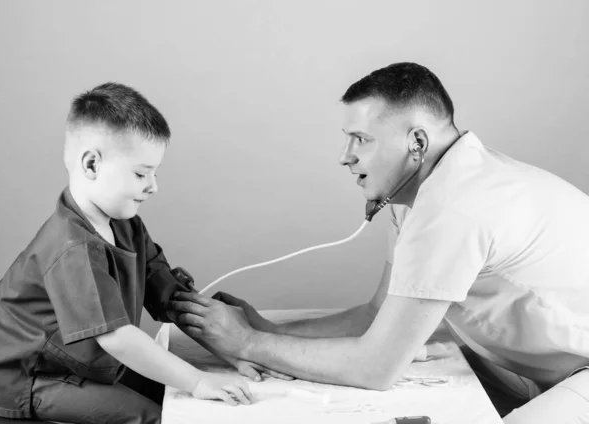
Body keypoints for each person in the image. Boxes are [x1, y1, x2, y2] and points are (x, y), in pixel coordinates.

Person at [170, 62, 589, 423]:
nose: (345, 155)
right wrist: (263, 328)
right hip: (546, 363)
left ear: (417, 143)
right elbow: (375, 315)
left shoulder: (453, 207)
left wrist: (246, 343)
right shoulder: (426, 190)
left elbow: (377, 367)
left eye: (362, 139)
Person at [0, 82, 255, 424]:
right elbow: (116, 337)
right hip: (25, 374)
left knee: (177, 395)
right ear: (91, 165)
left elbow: (172, 298)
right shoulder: (72, 246)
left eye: (155, 172)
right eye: (142, 173)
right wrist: (198, 380)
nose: (154, 186)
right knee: (147, 415)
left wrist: (232, 352)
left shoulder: (128, 227)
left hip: (84, 358)